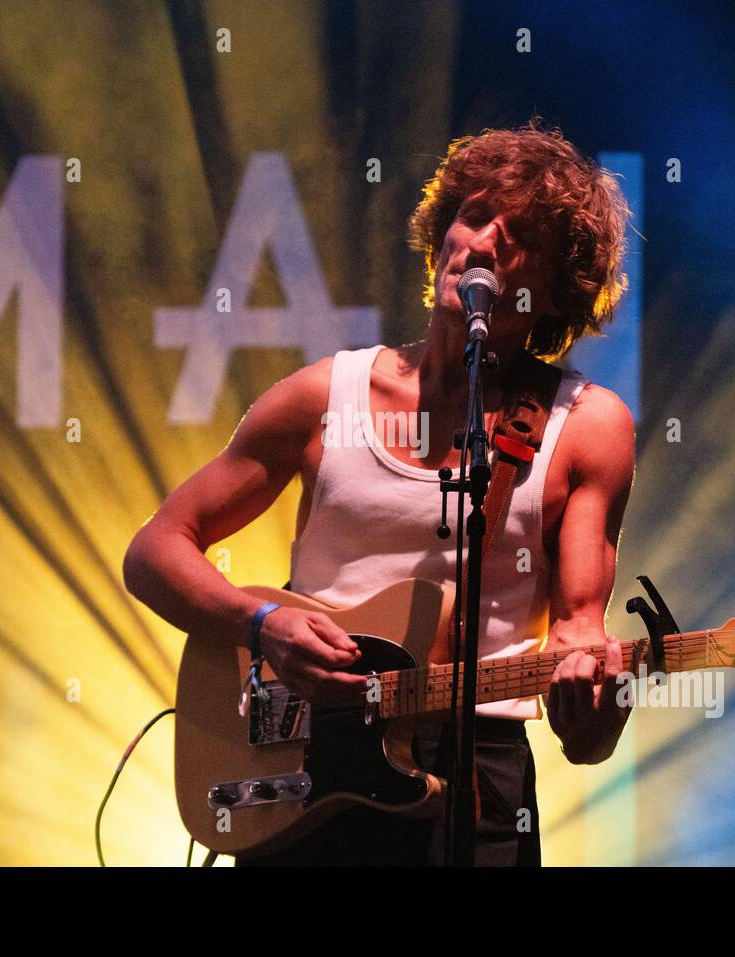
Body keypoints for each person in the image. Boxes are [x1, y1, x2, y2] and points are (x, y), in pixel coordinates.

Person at [124, 121, 637, 865]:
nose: (486, 242)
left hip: (481, 775)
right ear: (440, 240)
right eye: (472, 215)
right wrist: (262, 624)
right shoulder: (321, 396)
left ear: (558, 288)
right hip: (305, 768)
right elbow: (154, 551)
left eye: (521, 233)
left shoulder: (588, 427)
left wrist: (599, 701)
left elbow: (581, 674)